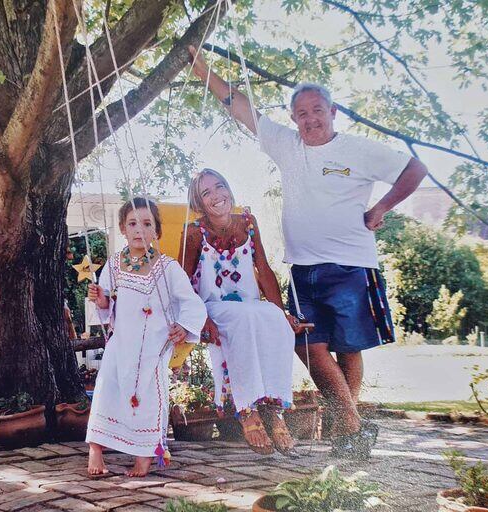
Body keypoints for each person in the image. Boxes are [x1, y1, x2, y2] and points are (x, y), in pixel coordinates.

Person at [188, 46, 428, 458]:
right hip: (303, 267)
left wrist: (382, 207)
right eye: (301, 113)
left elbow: (415, 169)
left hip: (353, 265)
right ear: (294, 118)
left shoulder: (359, 149)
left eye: (317, 110)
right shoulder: (286, 145)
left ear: (333, 111)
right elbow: (243, 111)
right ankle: (352, 427)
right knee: (307, 344)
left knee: (348, 348)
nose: (310, 119)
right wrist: (205, 72)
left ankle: (347, 436)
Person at [180, 168, 307, 457]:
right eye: (206, 192)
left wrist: (282, 312)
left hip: (248, 305)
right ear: (199, 203)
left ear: (229, 189)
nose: (216, 196)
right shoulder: (193, 232)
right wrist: (202, 319)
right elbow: (182, 283)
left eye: (220, 186)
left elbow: (262, 268)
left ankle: (274, 408)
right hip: (212, 306)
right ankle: (247, 408)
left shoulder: (249, 222)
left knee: (273, 319)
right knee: (244, 318)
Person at [86, 197, 207, 477]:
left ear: (156, 232)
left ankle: (144, 453)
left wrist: (184, 326)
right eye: (132, 223)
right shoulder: (115, 264)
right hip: (121, 342)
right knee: (108, 388)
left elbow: (191, 302)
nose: (139, 229)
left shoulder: (167, 268)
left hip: (153, 345)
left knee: (148, 395)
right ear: (123, 229)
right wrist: (101, 299)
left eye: (146, 223)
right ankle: (96, 447)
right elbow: (106, 305)